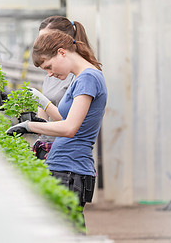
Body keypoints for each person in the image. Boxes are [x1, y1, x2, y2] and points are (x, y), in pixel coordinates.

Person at [6, 30, 107, 220]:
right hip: (64, 167)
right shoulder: (80, 78)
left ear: (61, 52)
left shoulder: (88, 78)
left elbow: (69, 128)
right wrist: (40, 113)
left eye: (49, 66)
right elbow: (64, 119)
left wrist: (29, 126)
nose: (50, 73)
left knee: (67, 233)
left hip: (71, 170)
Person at [30, 16, 93, 160]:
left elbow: (71, 124)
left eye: (47, 38)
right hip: (48, 150)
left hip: (69, 154)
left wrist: (43, 102)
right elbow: (43, 122)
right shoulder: (52, 74)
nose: (42, 43)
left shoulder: (80, 76)